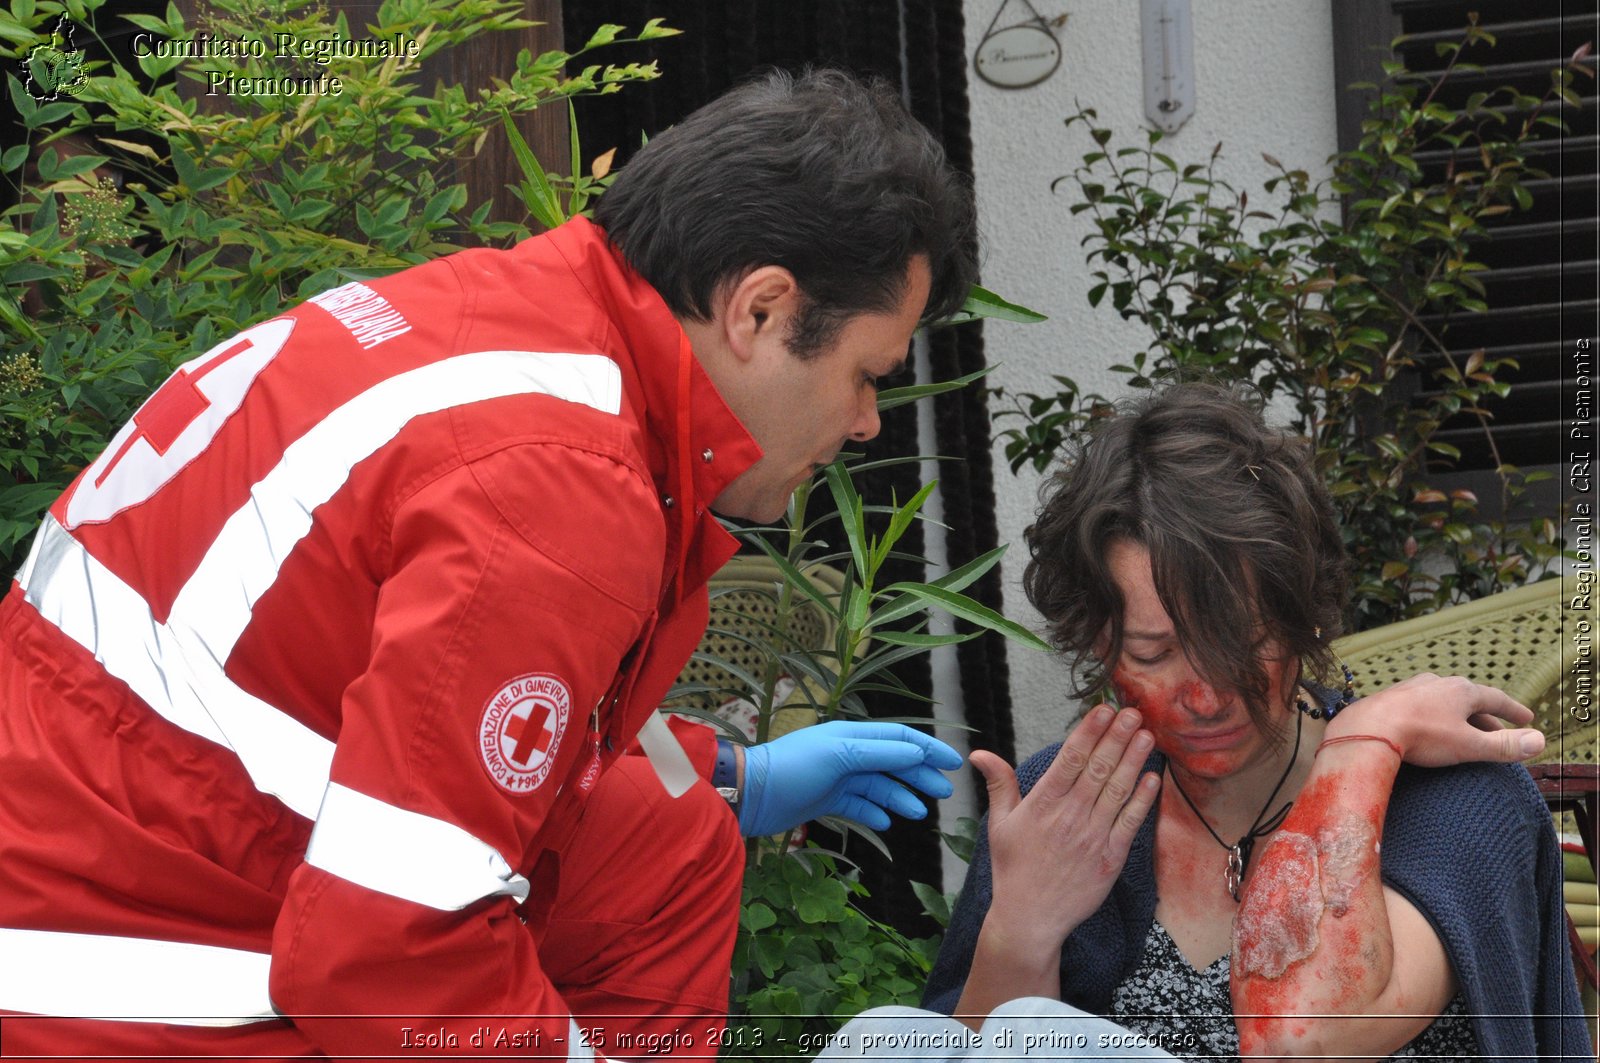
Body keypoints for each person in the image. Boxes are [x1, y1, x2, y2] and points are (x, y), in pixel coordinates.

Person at [0, 69, 974, 1059]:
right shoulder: (556, 491)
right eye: (866, 375)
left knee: (665, 826)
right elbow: (393, 951)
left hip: (104, 827)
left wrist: (725, 771)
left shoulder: (503, 317)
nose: (864, 425)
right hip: (120, 987)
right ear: (760, 310)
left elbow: (403, 689)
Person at [924, 383, 1590, 1060]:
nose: (1208, 697)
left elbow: (1299, 1039)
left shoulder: (1459, 800)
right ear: (1097, 641)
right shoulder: (1062, 810)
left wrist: (1362, 742)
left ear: (1303, 614)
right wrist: (1019, 929)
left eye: (1242, 643)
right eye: (1154, 652)